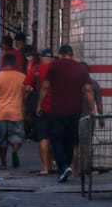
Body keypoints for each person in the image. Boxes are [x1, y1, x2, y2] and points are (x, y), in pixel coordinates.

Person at [35, 44, 94, 182]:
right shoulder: (80, 68)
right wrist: (93, 108)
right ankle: (66, 167)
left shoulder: (54, 66)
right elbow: (88, 89)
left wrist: (39, 105)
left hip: (57, 110)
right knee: (71, 140)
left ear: (60, 55)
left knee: (57, 139)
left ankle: (63, 166)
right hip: (75, 110)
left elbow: (45, 86)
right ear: (72, 55)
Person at [0, 51, 27, 169]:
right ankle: (15, 150)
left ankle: (3, 163)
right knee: (17, 136)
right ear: (14, 64)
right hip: (17, 113)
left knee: (1, 140)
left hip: (0, 114)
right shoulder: (22, 77)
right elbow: (27, 92)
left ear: (3, 63)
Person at [24, 47, 55, 174]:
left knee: (43, 138)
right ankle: (53, 164)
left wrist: (24, 106)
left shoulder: (35, 69)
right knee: (54, 138)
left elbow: (26, 88)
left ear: (42, 58)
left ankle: (46, 168)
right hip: (57, 108)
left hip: (40, 109)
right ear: (52, 58)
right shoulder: (57, 70)